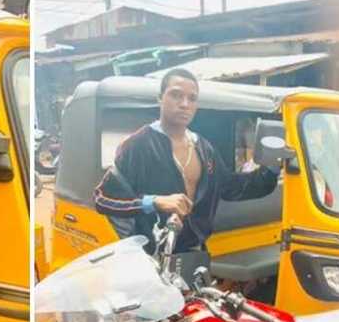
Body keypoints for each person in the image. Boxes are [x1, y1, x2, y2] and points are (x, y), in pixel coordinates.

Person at [93, 68, 279, 253]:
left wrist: (272, 168)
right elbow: (103, 200)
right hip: (150, 256)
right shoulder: (138, 145)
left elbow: (231, 187)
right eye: (176, 95)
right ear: (160, 98)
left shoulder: (204, 148)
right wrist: (153, 202)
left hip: (195, 253)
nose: (184, 104)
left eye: (192, 98)